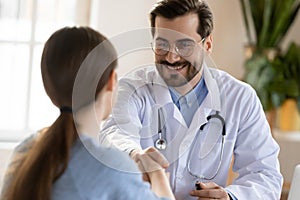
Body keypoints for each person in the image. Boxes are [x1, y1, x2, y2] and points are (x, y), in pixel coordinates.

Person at [99, 0, 283, 199]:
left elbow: (265, 173)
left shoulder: (240, 98)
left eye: (184, 45)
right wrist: (134, 154)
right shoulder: (133, 87)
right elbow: (114, 134)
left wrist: (230, 197)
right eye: (162, 45)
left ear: (208, 44)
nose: (171, 57)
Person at [0, 27, 175, 200]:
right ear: (111, 82)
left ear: (50, 87)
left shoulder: (24, 151)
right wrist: (157, 173)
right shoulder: (110, 166)